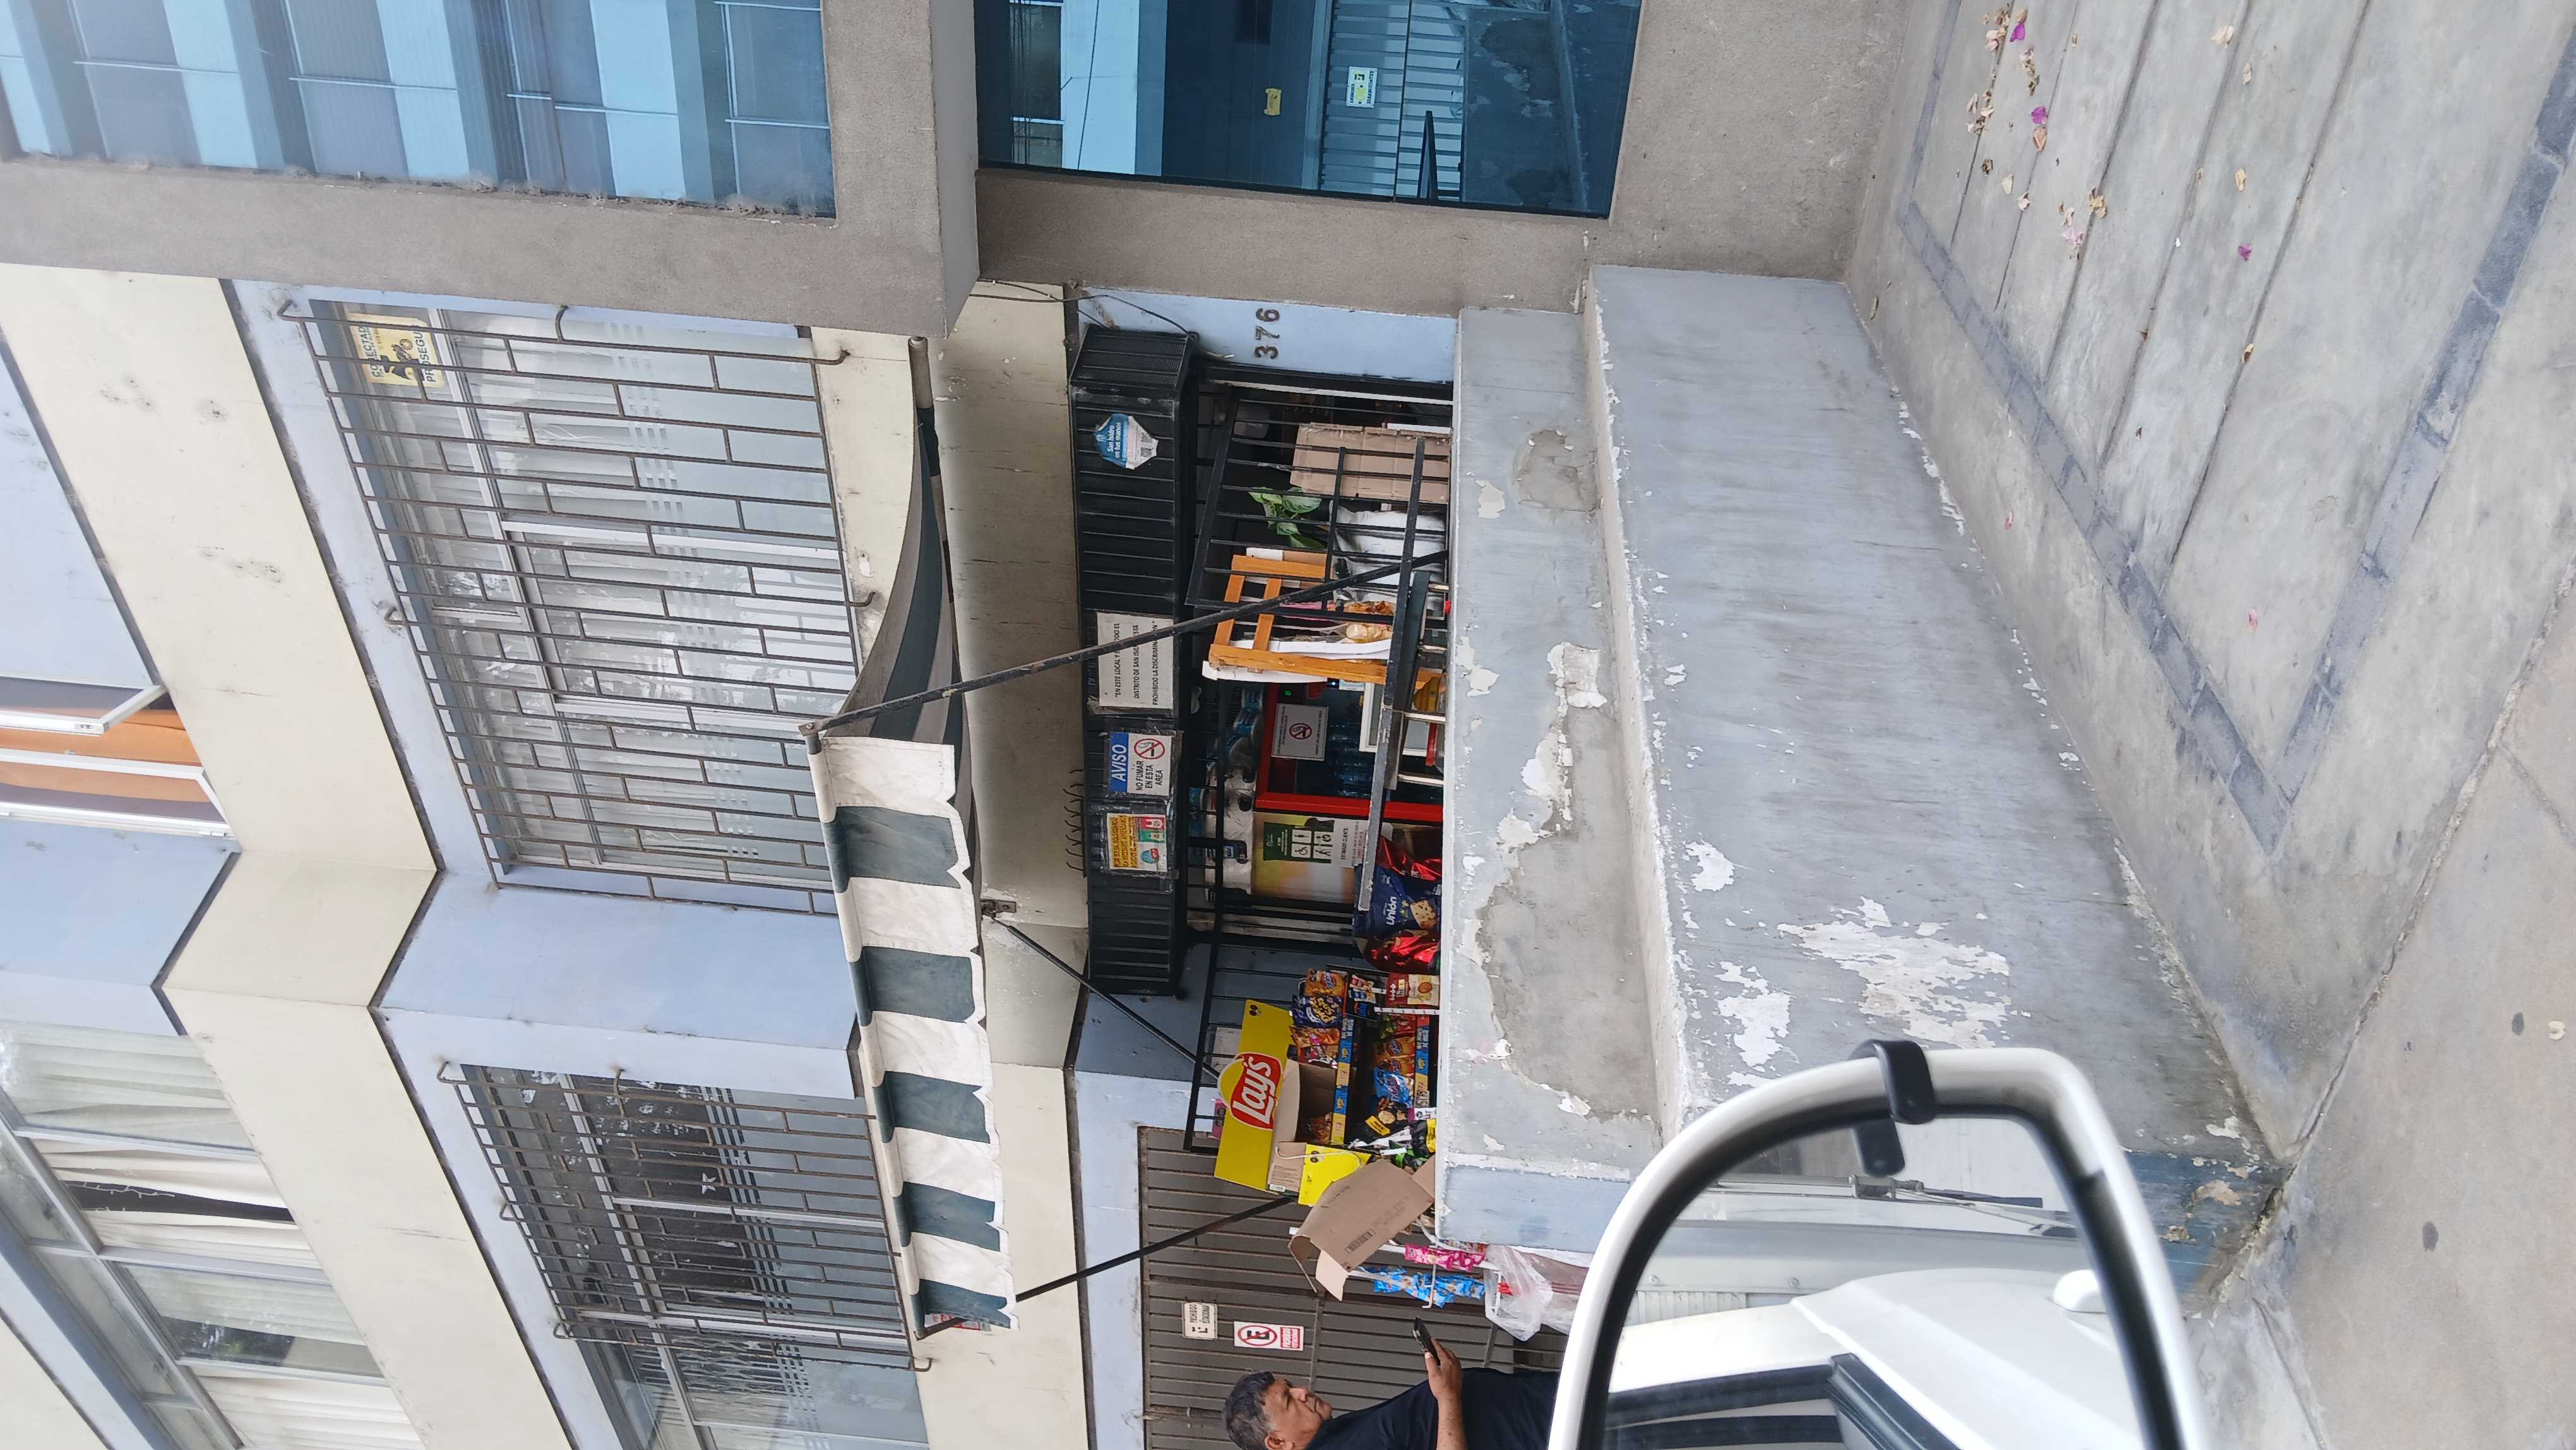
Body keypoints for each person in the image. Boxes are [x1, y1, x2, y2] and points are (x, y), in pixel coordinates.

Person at [1222, 1339, 1558, 1450]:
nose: (1303, 1392)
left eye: (1291, 1386)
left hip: (1538, 1408)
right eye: (1288, 1399)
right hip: (1551, 1434)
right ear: (1278, 1442)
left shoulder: (1335, 1436)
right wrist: (1448, 1397)